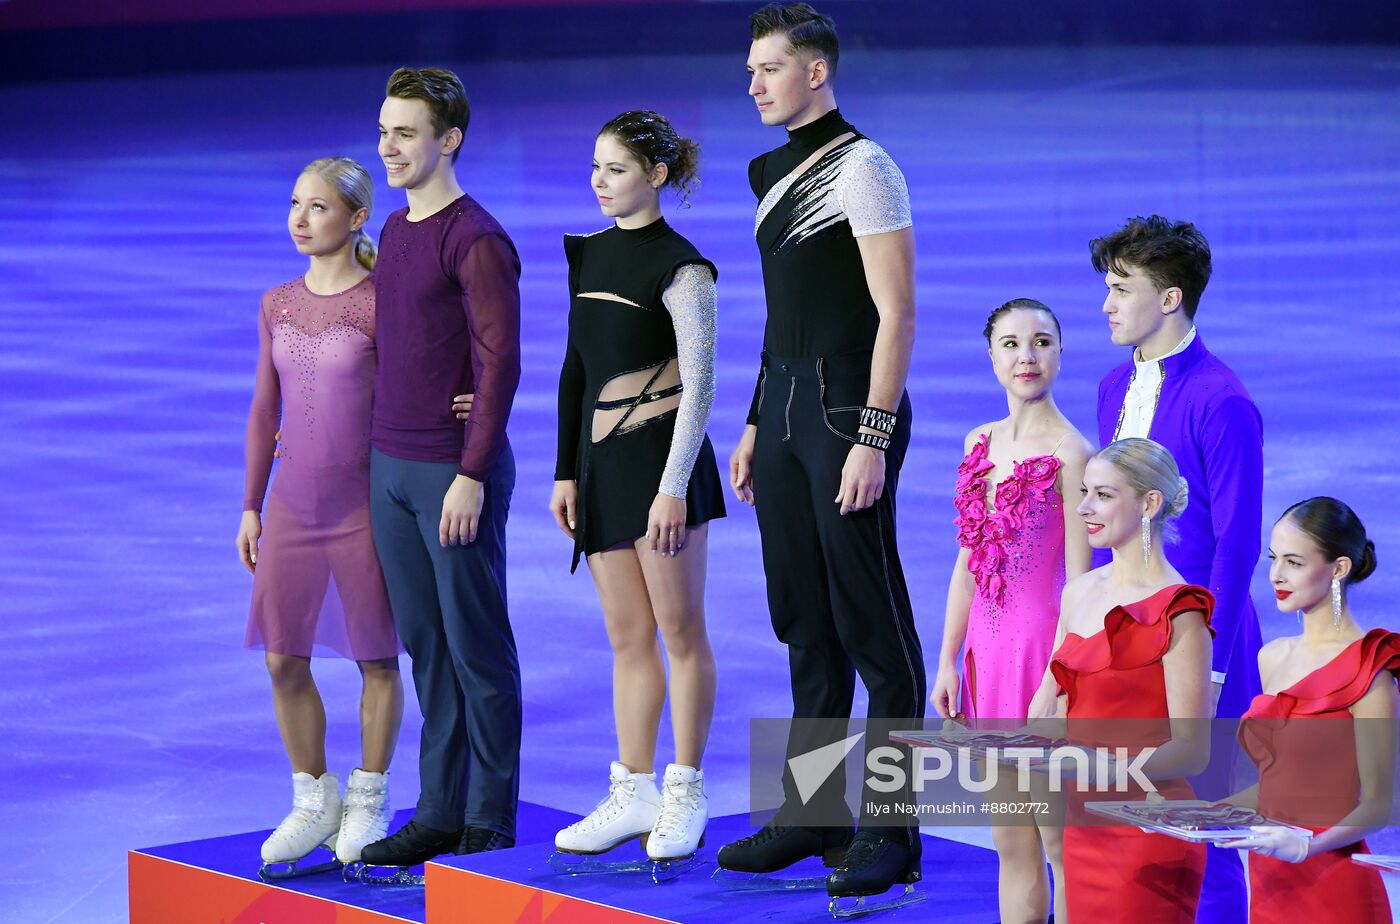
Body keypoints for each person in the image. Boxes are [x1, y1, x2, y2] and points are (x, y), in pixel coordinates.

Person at [718, 3, 926, 900]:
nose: (755, 84)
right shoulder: (768, 168)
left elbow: (896, 313)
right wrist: (760, 419)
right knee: (804, 619)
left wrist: (872, 437)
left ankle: (894, 833)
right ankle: (813, 813)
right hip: (791, 409)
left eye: (769, 68)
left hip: (849, 411)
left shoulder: (865, 166)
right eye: (751, 71)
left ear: (816, 72)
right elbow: (781, 315)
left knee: (872, 628)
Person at [518, 110, 727, 864]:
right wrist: (566, 470)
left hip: (663, 475)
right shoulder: (591, 255)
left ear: (658, 176)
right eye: (596, 168)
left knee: (679, 633)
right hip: (604, 473)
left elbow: (699, 386)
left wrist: (672, 487)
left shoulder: (684, 269)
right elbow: (577, 370)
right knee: (627, 637)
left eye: (617, 169)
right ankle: (632, 787)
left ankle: (685, 790)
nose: (601, 182)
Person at [359, 66, 523, 869]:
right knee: (428, 648)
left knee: (476, 649)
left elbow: (500, 365)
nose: (388, 146)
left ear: (448, 139)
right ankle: (438, 810)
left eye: (406, 132)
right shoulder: (394, 231)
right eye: (385, 129)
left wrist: (470, 470)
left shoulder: (476, 238)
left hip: (451, 475)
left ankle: (489, 817)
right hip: (389, 464)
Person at [1090, 215, 1262, 921]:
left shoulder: (1223, 401)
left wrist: (1211, 658)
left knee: (1207, 826)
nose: (1106, 305)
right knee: (1128, 816)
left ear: (1169, 299)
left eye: (1121, 288)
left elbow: (1239, 541)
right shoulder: (1109, 388)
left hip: (1199, 637)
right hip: (1124, 635)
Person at [239, 157, 403, 874]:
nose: (301, 222)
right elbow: (263, 410)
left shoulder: (380, 302)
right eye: (295, 206)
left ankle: (370, 796)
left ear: (357, 217)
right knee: (282, 657)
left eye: (319, 208)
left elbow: (418, 394)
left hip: (364, 506)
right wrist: (249, 505)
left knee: (375, 656)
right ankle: (315, 798)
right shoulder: (276, 303)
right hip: (292, 506)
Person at [929, 298, 1092, 923]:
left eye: (1043, 342)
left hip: (1042, 657)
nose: (1028, 356)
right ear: (991, 357)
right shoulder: (978, 442)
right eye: (1013, 344)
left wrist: (1058, 681)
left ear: (1060, 353)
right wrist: (947, 660)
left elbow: (1082, 583)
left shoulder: (1074, 454)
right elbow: (968, 563)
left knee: (1058, 839)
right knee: (1010, 837)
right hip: (987, 657)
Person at [1038, 438, 1213, 922]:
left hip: (1149, 829)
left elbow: (1192, 750)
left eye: (1103, 495)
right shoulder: (1078, 595)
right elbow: (1046, 715)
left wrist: (1100, 769)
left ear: (1150, 503)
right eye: (1085, 492)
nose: (1084, 507)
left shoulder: (1180, 612)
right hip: (1081, 821)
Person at [1220, 498, 1396, 923]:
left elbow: (1377, 803)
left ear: (1338, 569)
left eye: (1294, 562)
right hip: (1269, 884)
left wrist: (1307, 846)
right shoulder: (1272, 658)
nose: (1276, 576)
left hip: (1334, 886)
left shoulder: (1370, 671)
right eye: (1274, 559)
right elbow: (1278, 787)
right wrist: (1192, 812)